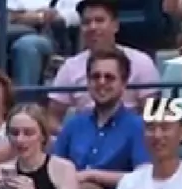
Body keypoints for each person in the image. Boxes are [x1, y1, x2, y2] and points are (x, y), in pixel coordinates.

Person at [52, 48, 150, 189]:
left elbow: (143, 178)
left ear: (124, 84)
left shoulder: (138, 127)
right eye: (95, 77)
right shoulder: (73, 125)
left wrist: (92, 176)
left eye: (109, 77)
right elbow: (53, 169)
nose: (101, 82)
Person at [48, 0, 160, 129]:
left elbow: (153, 115)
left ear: (115, 25)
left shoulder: (141, 62)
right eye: (86, 22)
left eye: (99, 20)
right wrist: (70, 136)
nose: (93, 27)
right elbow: (52, 117)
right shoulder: (70, 67)